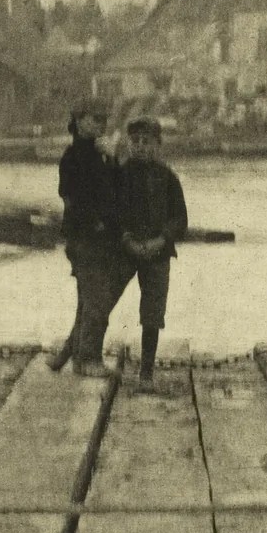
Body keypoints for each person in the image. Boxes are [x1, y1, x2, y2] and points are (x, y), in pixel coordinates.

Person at [47, 98, 124, 377]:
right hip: (85, 237)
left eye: (103, 119)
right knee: (97, 299)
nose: (101, 124)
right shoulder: (73, 156)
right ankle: (87, 359)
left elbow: (118, 187)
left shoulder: (98, 153)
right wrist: (95, 222)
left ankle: (69, 353)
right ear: (79, 121)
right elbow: (69, 197)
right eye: (95, 118)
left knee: (88, 298)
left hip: (99, 237)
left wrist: (112, 158)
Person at [116, 116, 188, 392]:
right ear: (128, 143)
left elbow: (180, 219)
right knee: (101, 299)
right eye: (135, 141)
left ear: (158, 145)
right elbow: (112, 215)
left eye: (146, 141)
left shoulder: (168, 178)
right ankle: (87, 355)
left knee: (153, 312)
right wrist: (127, 239)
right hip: (125, 250)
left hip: (157, 252)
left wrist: (161, 240)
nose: (140, 146)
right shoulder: (120, 176)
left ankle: (146, 371)